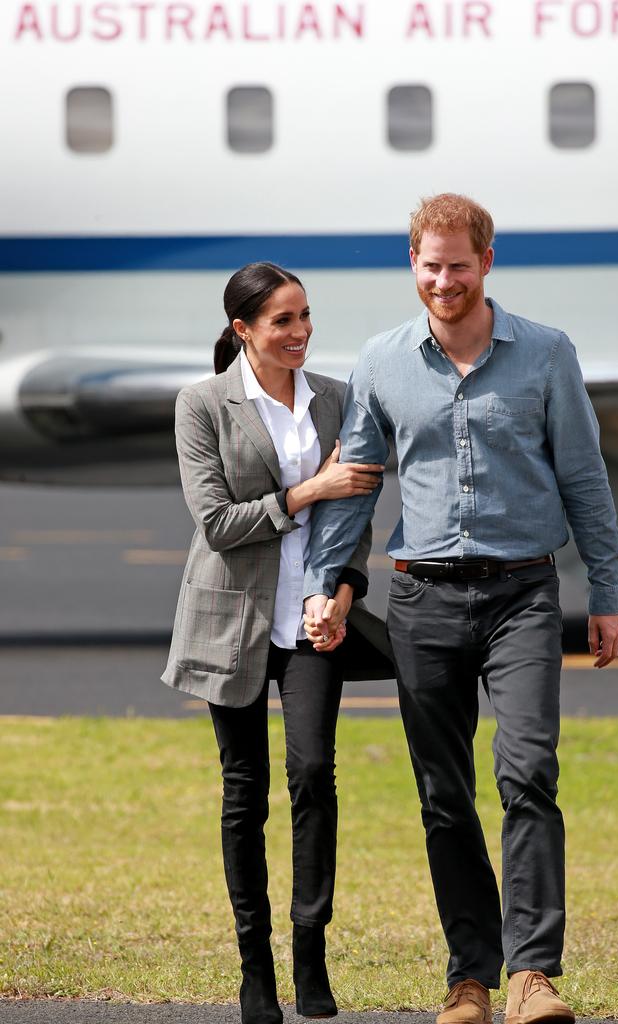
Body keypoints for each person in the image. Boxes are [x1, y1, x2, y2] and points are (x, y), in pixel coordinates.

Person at [303, 195, 618, 1024]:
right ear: (412, 263)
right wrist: (330, 583)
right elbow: (354, 489)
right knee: (444, 795)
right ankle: (470, 979)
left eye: (458, 264)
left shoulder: (547, 354)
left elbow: (586, 477)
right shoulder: (380, 361)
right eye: (429, 265)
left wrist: (608, 590)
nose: (443, 280)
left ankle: (533, 977)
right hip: (422, 597)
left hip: (523, 591)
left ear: (487, 262)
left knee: (528, 774)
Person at [161, 262, 390, 1024]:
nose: (300, 333)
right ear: (242, 331)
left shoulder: (335, 398)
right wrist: (307, 492)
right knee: (243, 792)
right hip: (230, 619)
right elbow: (218, 524)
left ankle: (310, 953)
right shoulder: (202, 404)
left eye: (305, 316)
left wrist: (345, 591)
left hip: (313, 621)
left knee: (314, 775)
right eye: (282, 321)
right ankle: (254, 968)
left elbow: (354, 516)